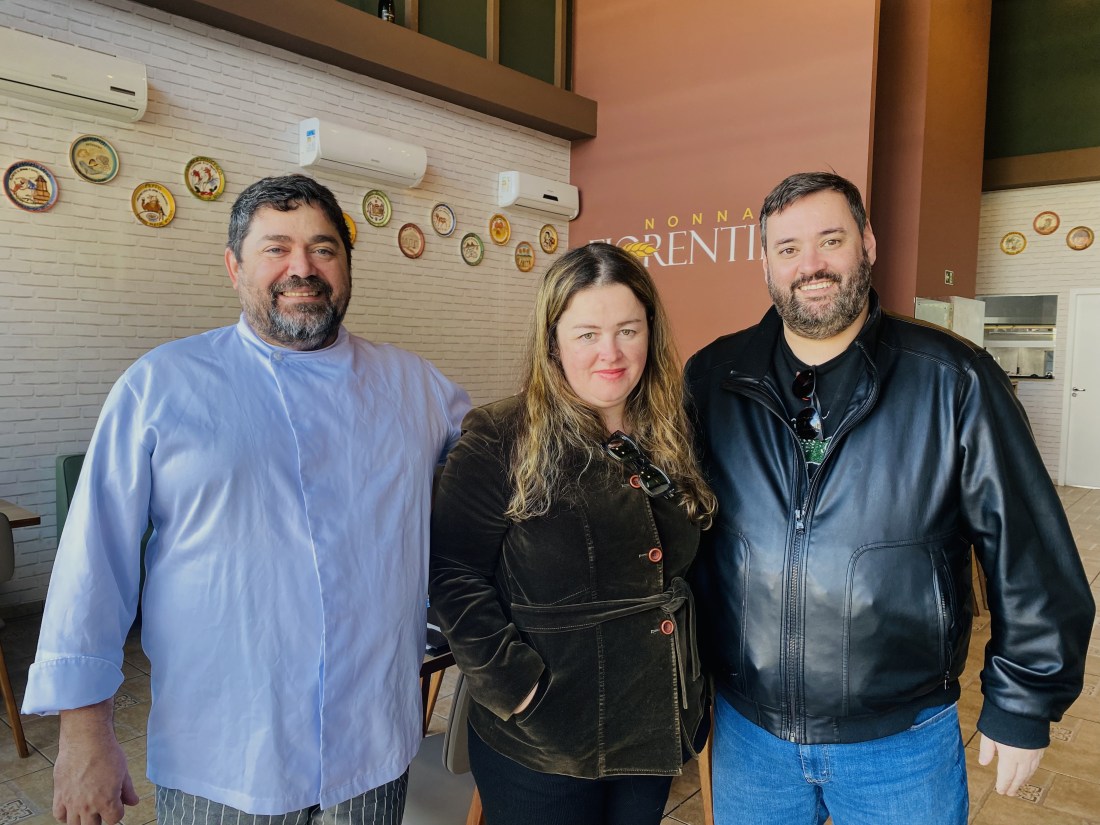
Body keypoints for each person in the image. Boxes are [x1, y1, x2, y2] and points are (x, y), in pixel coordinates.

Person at [23, 174, 470, 825]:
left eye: (323, 248)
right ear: (234, 267)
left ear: (346, 267)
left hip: (372, 745)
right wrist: (84, 735)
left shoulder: (414, 383)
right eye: (276, 248)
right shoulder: (163, 384)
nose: (303, 268)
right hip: (227, 755)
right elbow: (93, 564)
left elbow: (511, 460)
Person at [685, 171, 1095, 824]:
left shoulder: (953, 380)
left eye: (830, 240)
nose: (811, 265)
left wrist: (1023, 700)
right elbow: (678, 528)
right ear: (766, 262)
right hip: (750, 732)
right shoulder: (713, 377)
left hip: (899, 741)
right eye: (788, 248)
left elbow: (1027, 545)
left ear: (868, 244)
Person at [429, 242, 716, 825]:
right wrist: (516, 687)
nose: (611, 352)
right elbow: (452, 572)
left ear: (650, 333)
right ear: (553, 341)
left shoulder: (676, 430)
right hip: (546, 737)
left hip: (650, 722)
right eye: (587, 334)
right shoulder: (501, 435)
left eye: (628, 330)